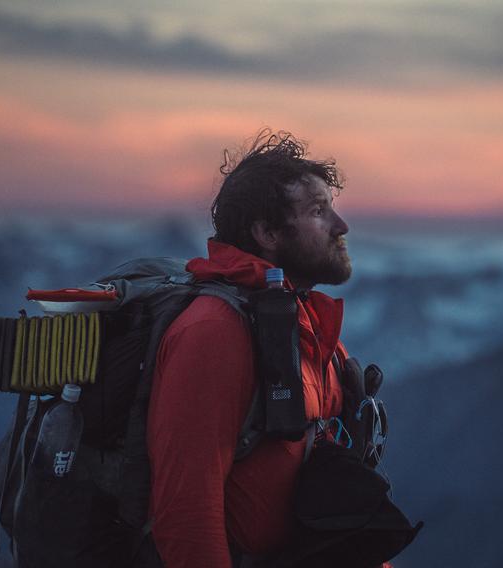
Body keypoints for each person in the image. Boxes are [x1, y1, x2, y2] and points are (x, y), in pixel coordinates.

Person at [146, 130, 352, 567]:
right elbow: (186, 514)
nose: (341, 227)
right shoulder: (214, 334)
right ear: (267, 233)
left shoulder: (313, 333)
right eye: (319, 211)